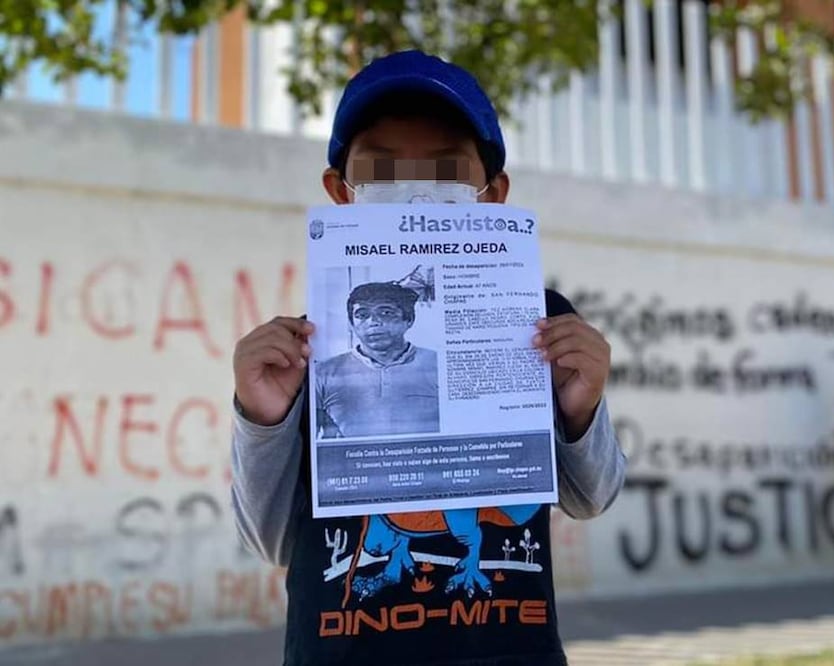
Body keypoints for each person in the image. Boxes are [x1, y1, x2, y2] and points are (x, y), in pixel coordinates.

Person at [230, 49, 626, 666]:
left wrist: (581, 410)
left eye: (445, 170)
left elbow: (591, 496)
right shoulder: (306, 348)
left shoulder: (538, 318)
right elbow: (270, 540)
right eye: (382, 172)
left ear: (493, 195)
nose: (413, 192)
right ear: (340, 192)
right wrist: (262, 421)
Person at [315, 281, 439, 438]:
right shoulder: (322, 373)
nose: (373, 322)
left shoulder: (439, 365)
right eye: (362, 315)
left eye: (386, 313)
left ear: (409, 320)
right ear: (351, 325)